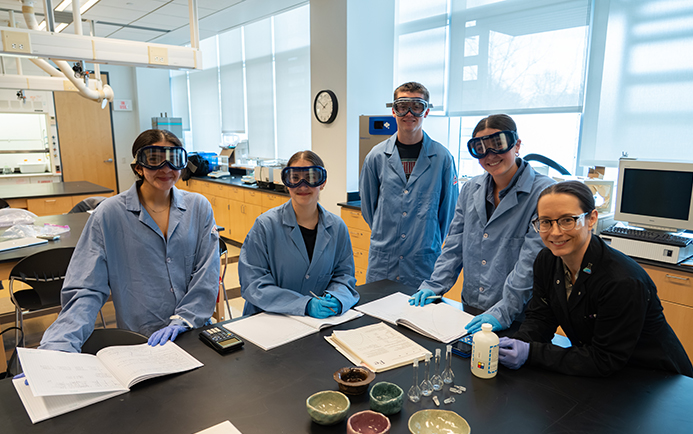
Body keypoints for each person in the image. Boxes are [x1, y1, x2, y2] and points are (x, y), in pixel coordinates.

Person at [39, 130, 220, 353]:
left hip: (191, 331)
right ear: (138, 167)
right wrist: (58, 345)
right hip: (140, 340)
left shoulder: (199, 208)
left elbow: (207, 274)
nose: (166, 168)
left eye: (174, 160)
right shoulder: (109, 214)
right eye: (154, 160)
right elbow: (86, 288)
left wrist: (185, 320)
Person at [498, 181, 693, 378]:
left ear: (592, 218)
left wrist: (531, 353)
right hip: (599, 370)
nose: (555, 232)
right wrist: (517, 344)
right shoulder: (547, 260)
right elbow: (541, 317)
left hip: (654, 380)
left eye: (567, 220)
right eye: (546, 222)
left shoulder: (621, 280)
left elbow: (605, 358)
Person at [410, 114, 554, 334]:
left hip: (519, 316)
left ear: (516, 145)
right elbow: (454, 246)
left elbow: (530, 263)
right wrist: (435, 285)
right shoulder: (470, 189)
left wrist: (504, 311)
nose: (490, 155)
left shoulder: (544, 193)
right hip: (472, 307)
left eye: (498, 145)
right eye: (481, 148)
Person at [359, 81, 459, 288]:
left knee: (421, 318)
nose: (409, 113)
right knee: (378, 315)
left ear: (427, 112)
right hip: (383, 260)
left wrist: (426, 240)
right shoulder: (376, 157)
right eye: (402, 106)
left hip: (423, 261)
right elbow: (369, 209)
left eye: (417, 106)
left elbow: (447, 213)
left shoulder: (442, 158)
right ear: (394, 111)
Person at [239, 150, 359, 317]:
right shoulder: (265, 226)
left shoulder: (337, 228)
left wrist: (337, 299)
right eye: (295, 178)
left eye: (311, 177)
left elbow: (344, 276)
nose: (303, 185)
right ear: (287, 182)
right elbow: (253, 284)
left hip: (318, 324)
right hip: (268, 320)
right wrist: (304, 305)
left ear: (322, 182)